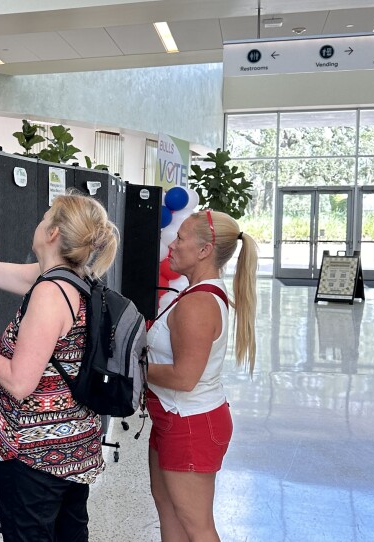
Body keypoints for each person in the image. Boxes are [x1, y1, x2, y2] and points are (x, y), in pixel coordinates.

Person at [0, 187, 119, 542]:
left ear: (53, 233)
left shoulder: (49, 293)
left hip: (35, 457)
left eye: (45, 217)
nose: (39, 221)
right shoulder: (73, 279)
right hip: (73, 449)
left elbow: (19, 383)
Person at [145, 209, 258, 542]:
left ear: (205, 250)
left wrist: (129, 367)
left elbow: (184, 378)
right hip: (171, 417)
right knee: (168, 510)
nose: (172, 246)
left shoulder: (198, 304)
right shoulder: (193, 295)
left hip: (190, 424)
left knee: (197, 526)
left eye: (180, 239)